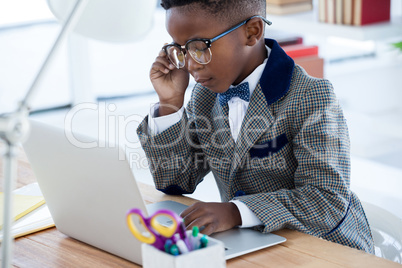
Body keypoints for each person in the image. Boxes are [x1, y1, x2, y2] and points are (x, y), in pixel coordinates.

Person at [136, 0, 374, 253]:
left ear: (252, 32)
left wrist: (236, 212)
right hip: (255, 245)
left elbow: (326, 200)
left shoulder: (312, 96)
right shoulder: (203, 97)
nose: (191, 65)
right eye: (181, 50)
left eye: (199, 47)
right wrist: (170, 103)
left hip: (328, 249)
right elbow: (176, 181)